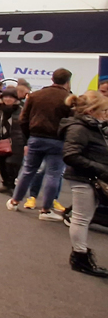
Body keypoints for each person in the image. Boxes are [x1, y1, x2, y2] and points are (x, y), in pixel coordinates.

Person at [7, 68, 73, 220]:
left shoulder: (35, 96)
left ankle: (15, 200)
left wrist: (29, 136)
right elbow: (71, 123)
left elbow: (23, 119)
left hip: (36, 138)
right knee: (53, 175)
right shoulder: (68, 98)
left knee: (28, 170)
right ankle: (45, 210)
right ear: (68, 81)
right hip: (57, 140)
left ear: (52, 79)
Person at [59, 91, 108, 277]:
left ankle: (80, 255)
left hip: (92, 176)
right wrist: (100, 169)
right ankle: (80, 256)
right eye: (104, 110)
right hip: (85, 177)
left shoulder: (95, 127)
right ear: (92, 111)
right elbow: (71, 155)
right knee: (81, 218)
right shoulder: (79, 128)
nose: (106, 113)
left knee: (83, 217)